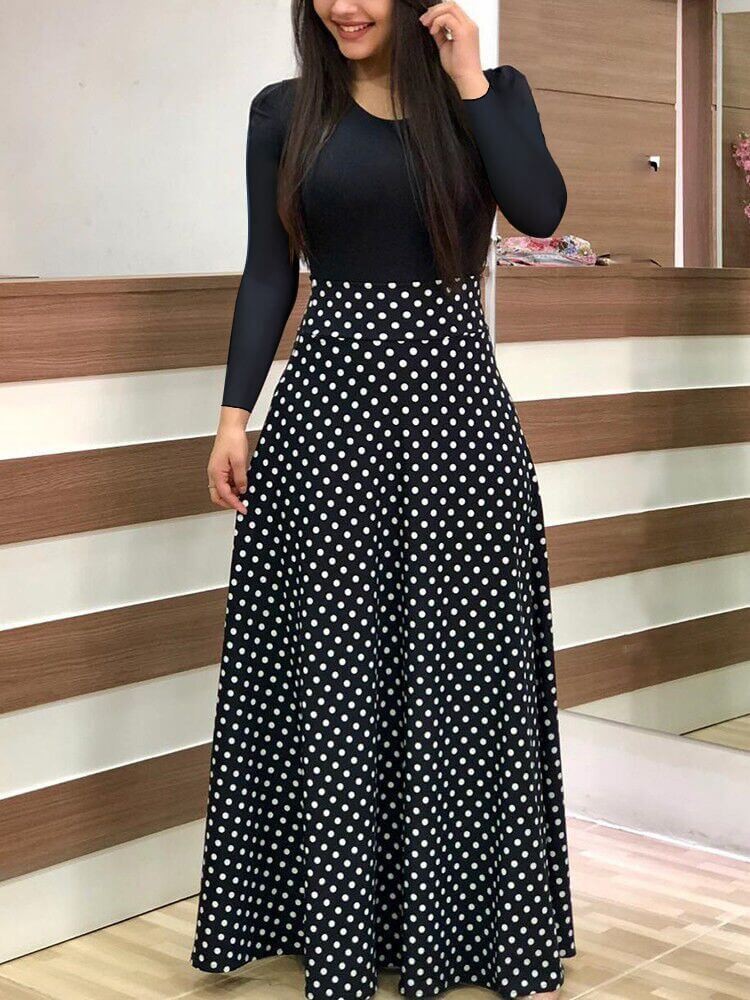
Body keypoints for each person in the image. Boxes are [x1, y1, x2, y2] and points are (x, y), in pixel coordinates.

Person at [190, 2, 575, 998]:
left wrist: (469, 76)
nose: (342, 5)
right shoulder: (284, 112)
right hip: (328, 426)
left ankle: (462, 928)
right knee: (334, 675)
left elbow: (539, 212)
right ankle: (339, 927)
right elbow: (269, 271)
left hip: (459, 430)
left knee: (464, 676)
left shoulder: (489, 96)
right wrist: (234, 417)